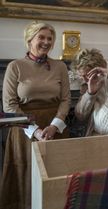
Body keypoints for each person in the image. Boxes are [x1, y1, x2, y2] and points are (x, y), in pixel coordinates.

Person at [0, 21, 70, 209]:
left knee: (56, 177)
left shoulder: (60, 66)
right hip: (24, 131)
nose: (46, 42)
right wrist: (35, 130)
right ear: (30, 40)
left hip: (55, 129)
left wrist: (55, 126)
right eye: (41, 37)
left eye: (50, 38)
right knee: (28, 176)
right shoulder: (15, 67)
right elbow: (9, 105)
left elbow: (65, 100)